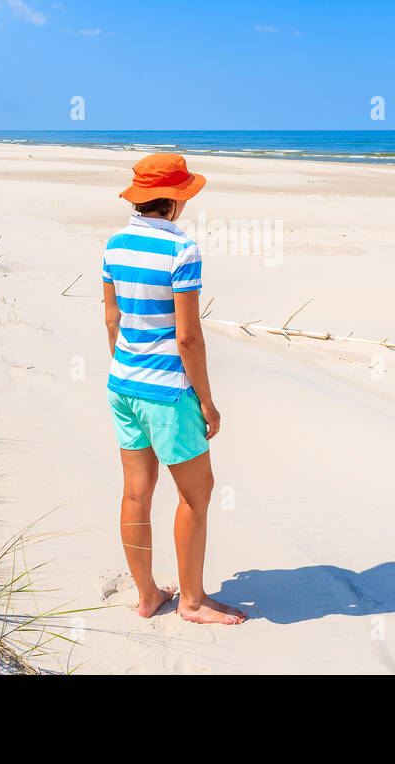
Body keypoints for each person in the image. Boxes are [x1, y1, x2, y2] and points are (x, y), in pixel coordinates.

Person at [101, 153, 247, 625]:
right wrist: (207, 401)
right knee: (196, 494)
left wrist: (128, 369)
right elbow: (187, 337)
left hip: (123, 384)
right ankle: (191, 600)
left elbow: (111, 318)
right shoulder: (181, 251)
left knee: (136, 493)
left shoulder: (115, 244)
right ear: (177, 201)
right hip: (167, 393)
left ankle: (147, 595)